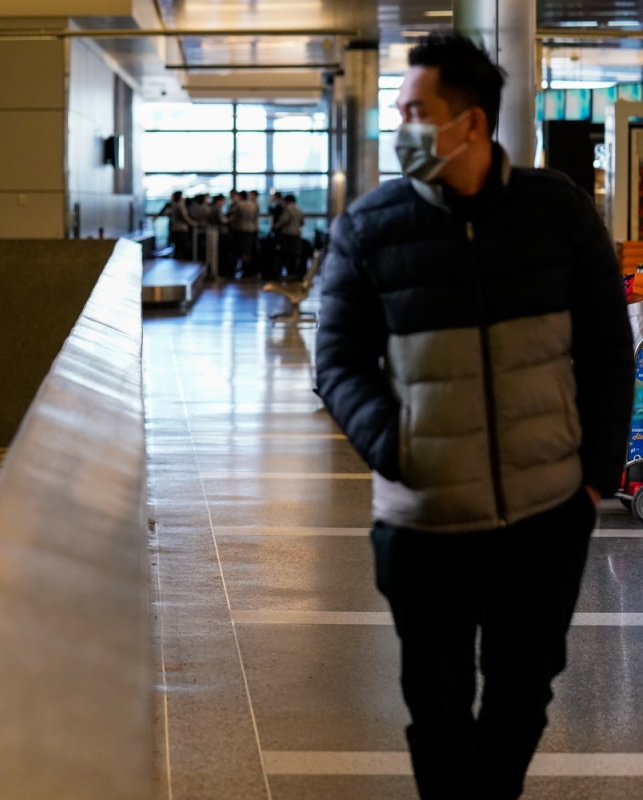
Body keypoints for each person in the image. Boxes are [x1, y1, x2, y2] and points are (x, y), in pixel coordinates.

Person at [315, 32, 634, 799]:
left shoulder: (555, 213)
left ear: (471, 124)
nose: (402, 130)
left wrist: (590, 480)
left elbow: (606, 351)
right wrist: (395, 448)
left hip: (544, 512)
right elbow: (338, 363)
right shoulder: (370, 228)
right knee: (437, 705)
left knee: (524, 695)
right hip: (424, 521)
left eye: (415, 112)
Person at [272, 193, 305, 278]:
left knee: (285, 255)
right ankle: (293, 273)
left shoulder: (287, 210)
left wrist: (274, 226)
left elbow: (283, 221)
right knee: (294, 255)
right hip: (296, 234)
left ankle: (283, 274)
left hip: (287, 235)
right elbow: (302, 223)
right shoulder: (299, 210)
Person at [228, 190, 260, 276]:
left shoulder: (239, 205)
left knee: (241, 251)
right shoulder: (254, 205)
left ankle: (241, 269)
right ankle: (249, 271)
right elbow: (256, 217)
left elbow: (235, 217)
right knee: (249, 251)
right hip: (252, 230)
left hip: (241, 230)